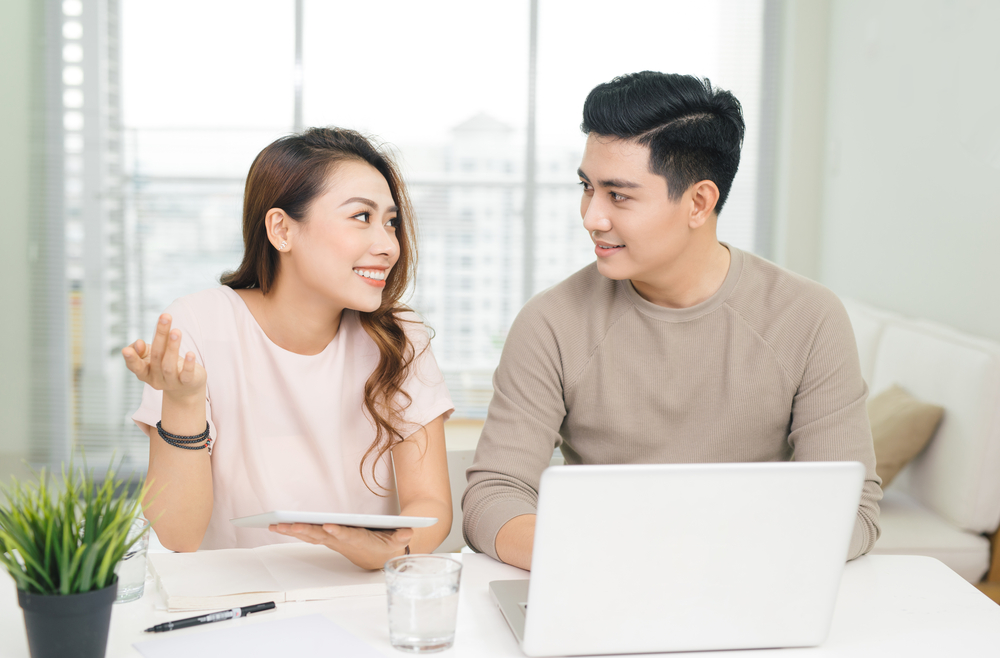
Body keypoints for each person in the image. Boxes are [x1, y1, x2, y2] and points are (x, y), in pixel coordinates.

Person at [462, 71, 882, 570]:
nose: (592, 217)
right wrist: (616, 562)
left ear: (698, 203)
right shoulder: (550, 324)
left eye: (619, 195)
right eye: (587, 187)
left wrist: (698, 561)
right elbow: (494, 497)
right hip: (601, 580)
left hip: (750, 582)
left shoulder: (807, 318)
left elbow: (851, 512)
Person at [124, 128, 454, 569]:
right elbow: (178, 535)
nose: (389, 246)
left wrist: (389, 551)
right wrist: (183, 402)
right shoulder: (199, 325)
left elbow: (431, 504)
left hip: (358, 591)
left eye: (390, 222)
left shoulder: (399, 337)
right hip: (238, 596)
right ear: (282, 229)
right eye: (362, 216)